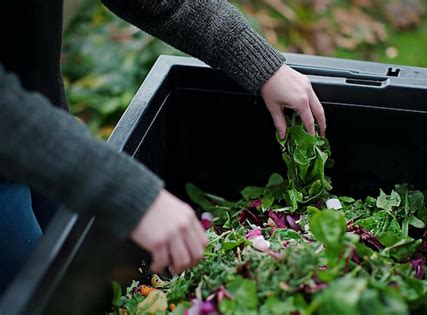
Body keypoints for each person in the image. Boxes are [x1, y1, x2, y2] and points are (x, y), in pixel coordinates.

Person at [0, 0, 326, 295]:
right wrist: (130, 193)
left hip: (50, 130)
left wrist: (257, 60)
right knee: (31, 291)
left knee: (68, 280)